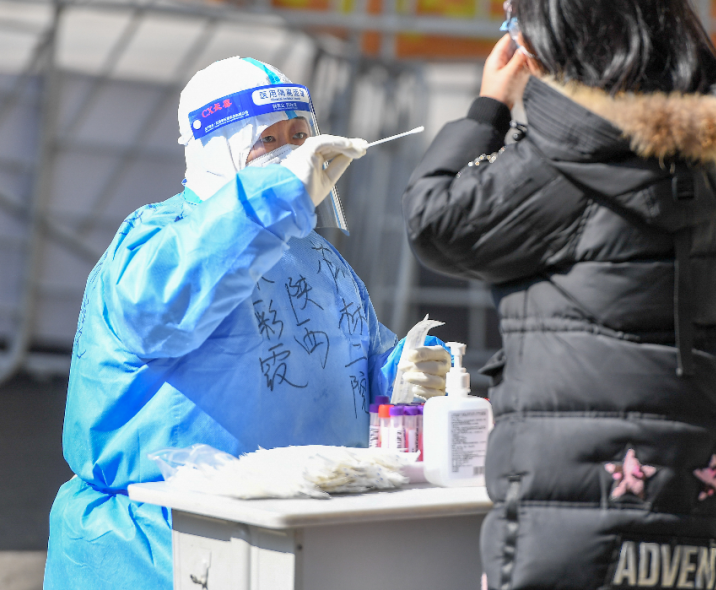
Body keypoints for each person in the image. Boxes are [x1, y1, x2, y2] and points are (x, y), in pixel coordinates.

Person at [402, 0, 716, 590]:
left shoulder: (560, 162)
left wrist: (487, 109)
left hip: (574, 515)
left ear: (550, 36)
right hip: (712, 505)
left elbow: (434, 222)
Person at [44, 56, 450, 589]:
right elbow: (162, 311)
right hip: (161, 547)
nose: (291, 152)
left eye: (300, 135)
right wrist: (276, 199)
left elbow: (345, 360)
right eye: (268, 139)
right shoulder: (158, 239)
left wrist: (396, 374)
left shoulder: (318, 257)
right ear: (217, 145)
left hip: (295, 534)